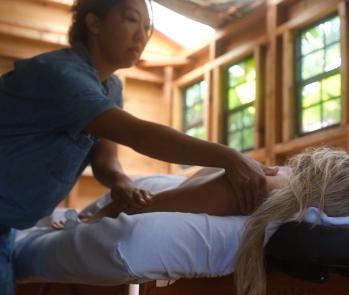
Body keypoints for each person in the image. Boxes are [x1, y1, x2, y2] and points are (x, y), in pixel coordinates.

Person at [0, 0, 275, 293]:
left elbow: (105, 161)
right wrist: (228, 157)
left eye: (147, 28)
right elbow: (140, 135)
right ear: (94, 24)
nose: (142, 35)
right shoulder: (61, 75)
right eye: (132, 20)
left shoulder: (111, 86)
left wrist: (121, 183)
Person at [80, 147, 349, 295]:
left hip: (169, 189)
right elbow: (141, 206)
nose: (280, 168)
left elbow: (138, 210)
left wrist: (85, 221)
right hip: (158, 186)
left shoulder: (257, 186)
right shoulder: (253, 184)